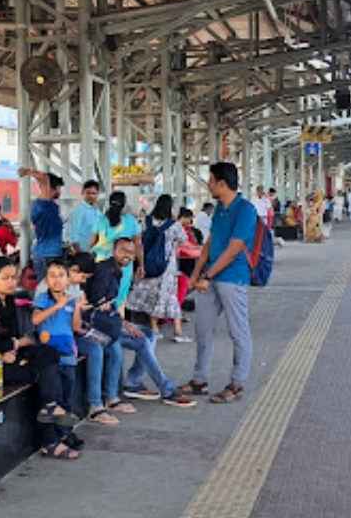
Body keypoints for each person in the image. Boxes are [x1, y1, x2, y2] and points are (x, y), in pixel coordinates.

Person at [0, 256, 78, 430]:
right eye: (5, 278)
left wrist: (14, 346)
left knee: (49, 353)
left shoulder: (9, 301)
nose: (11, 282)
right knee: (46, 373)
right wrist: (13, 346)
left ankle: (53, 413)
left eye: (14, 278)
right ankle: (53, 433)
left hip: (11, 353)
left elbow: (13, 337)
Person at [181, 163, 256, 405]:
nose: (208, 185)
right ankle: (199, 380)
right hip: (210, 278)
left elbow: (234, 249)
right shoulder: (220, 210)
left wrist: (208, 275)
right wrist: (195, 273)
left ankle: (237, 383)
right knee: (202, 329)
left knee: (238, 332)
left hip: (232, 279)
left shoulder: (245, 210)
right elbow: (210, 243)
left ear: (222, 184)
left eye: (211, 181)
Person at [28, 261, 85, 458]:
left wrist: (76, 307)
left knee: (67, 400)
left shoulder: (72, 300)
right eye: (52, 275)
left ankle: (65, 434)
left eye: (61, 275)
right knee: (55, 401)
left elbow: (76, 327)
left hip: (68, 355)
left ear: (68, 279)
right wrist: (57, 306)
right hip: (51, 357)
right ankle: (52, 439)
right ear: (46, 280)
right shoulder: (43, 299)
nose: (57, 279)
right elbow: (35, 319)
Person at [81, 238, 136, 425]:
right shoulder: (105, 269)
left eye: (131, 252)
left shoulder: (117, 270)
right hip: (87, 325)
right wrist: (102, 304)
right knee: (98, 349)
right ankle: (95, 406)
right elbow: (97, 299)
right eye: (123, 250)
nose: (127, 255)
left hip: (97, 324)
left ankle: (111, 399)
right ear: (114, 250)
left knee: (116, 349)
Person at [126, 195, 187, 342]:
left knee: (153, 296)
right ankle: (178, 332)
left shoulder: (146, 221)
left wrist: (140, 264)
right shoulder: (174, 225)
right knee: (170, 296)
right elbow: (183, 240)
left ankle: (155, 329)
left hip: (148, 264)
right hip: (167, 267)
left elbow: (138, 241)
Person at [92, 191, 143, 310]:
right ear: (124, 205)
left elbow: (92, 243)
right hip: (123, 264)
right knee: (120, 300)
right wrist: (141, 265)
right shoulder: (130, 221)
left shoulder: (101, 220)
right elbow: (138, 245)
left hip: (101, 264)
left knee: (102, 297)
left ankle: (103, 325)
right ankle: (118, 324)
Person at [19, 168, 65, 280]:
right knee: (46, 290)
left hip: (50, 253)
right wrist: (29, 172)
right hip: (46, 255)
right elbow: (45, 178)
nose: (60, 192)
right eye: (59, 188)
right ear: (53, 188)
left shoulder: (51, 205)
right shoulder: (43, 204)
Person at [68, 180, 103, 254]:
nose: (91, 196)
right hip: (83, 253)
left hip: (96, 252)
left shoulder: (98, 212)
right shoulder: (79, 210)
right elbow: (74, 236)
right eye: (88, 193)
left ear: (97, 194)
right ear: (82, 193)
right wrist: (80, 254)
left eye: (93, 193)